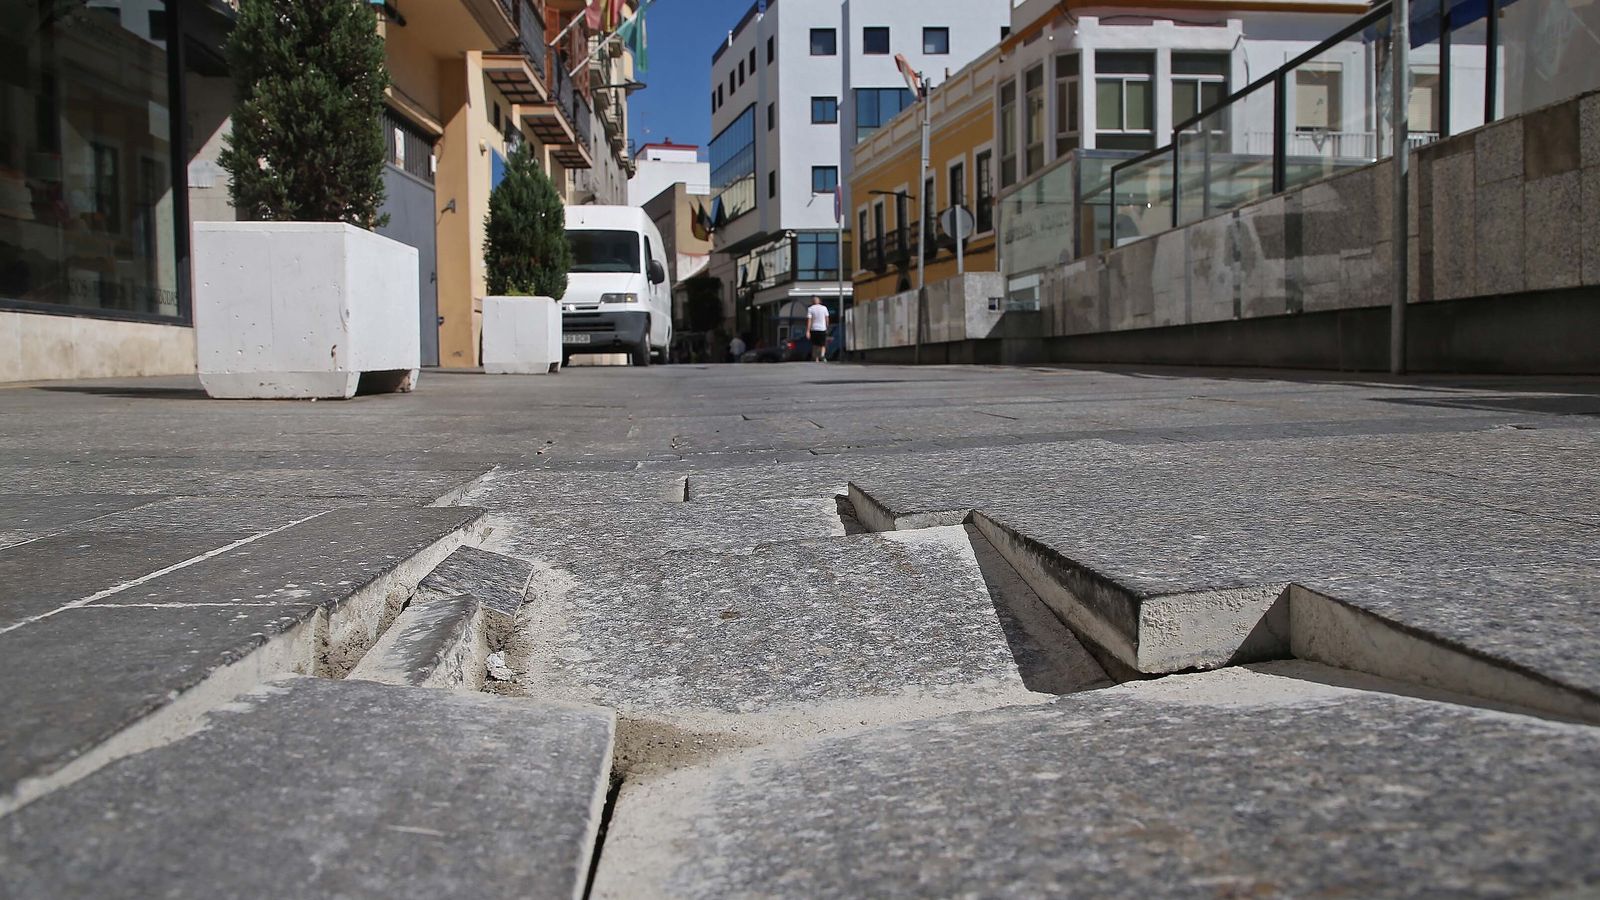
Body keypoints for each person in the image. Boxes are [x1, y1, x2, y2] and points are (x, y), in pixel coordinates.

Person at [806, 297, 829, 363]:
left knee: (815, 344)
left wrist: (808, 330)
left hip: (814, 328)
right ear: (819, 301)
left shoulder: (810, 309)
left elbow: (809, 320)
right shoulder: (824, 308)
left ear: (813, 301)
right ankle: (822, 355)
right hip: (822, 328)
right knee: (823, 344)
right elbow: (827, 318)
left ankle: (816, 358)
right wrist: (827, 327)